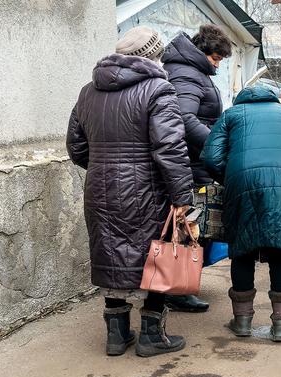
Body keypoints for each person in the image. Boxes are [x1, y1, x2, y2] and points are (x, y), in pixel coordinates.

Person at [66, 26, 193, 356]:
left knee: (110, 254)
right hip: (146, 189)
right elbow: (170, 147)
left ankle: (116, 336)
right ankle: (152, 336)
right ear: (154, 55)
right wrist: (182, 196)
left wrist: (104, 167)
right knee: (157, 254)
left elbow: (76, 147)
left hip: (100, 187)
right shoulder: (158, 89)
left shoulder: (87, 92)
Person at [201, 86, 281, 342]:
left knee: (242, 248)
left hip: (242, 180)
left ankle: (242, 322)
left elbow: (211, 158)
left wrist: (232, 176)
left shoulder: (231, 115)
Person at [161, 24, 233, 313]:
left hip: (194, 162)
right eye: (216, 58)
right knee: (190, 226)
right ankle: (177, 290)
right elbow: (184, 119)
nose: (217, 65)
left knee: (192, 225)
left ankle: (181, 285)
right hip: (191, 164)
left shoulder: (190, 71)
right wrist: (217, 145)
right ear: (202, 52)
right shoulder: (187, 73)